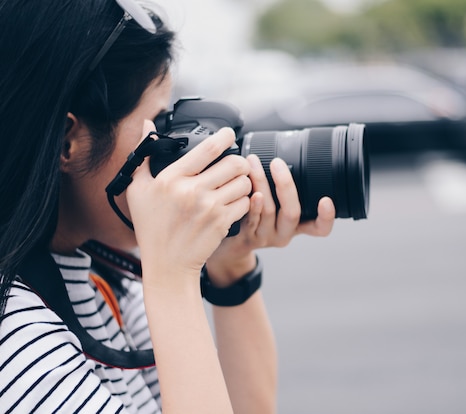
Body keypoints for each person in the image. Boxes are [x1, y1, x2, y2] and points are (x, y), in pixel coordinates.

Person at [0, 0, 335, 412]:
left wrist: (230, 269)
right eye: (159, 125)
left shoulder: (104, 280)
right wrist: (173, 278)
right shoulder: (17, 341)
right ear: (67, 141)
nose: (173, 148)